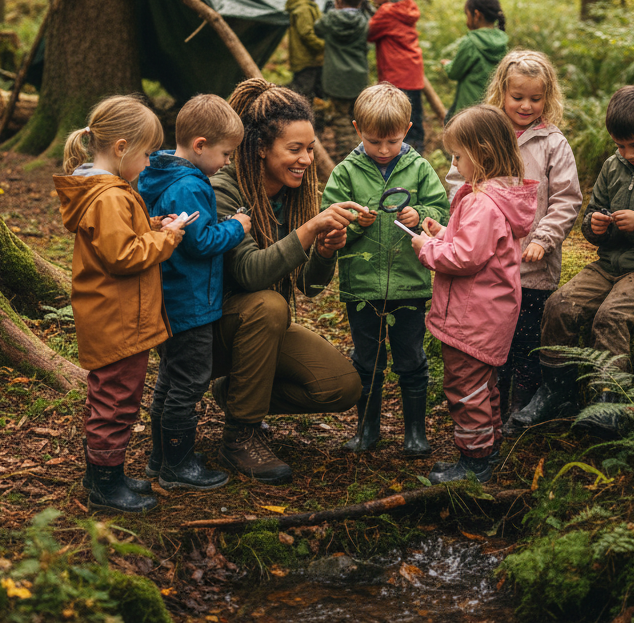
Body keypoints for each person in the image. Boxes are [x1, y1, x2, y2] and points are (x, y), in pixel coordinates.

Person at [509, 85, 634, 438]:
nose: (628, 154)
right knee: (560, 305)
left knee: (611, 315)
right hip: (610, 263)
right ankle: (556, 391)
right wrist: (596, 226)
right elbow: (591, 218)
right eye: (620, 146)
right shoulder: (613, 166)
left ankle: (612, 400)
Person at [209, 79, 367, 483]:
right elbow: (248, 273)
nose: (306, 159)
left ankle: (238, 394)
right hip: (208, 332)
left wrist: (326, 251)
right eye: (294, 149)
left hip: (262, 331)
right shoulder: (223, 190)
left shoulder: (296, 192)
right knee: (268, 304)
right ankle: (240, 434)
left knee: (342, 386)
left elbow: (309, 287)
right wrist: (310, 230)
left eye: (310, 148)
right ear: (261, 148)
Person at [55, 95, 188, 515]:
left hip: (116, 315)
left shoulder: (105, 191)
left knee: (114, 396)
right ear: (120, 148)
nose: (149, 163)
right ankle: (105, 485)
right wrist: (167, 238)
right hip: (118, 320)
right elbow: (123, 256)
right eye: (147, 154)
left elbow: (116, 238)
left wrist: (150, 225)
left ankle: (103, 474)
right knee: (116, 401)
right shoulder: (109, 195)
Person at [321, 83, 450, 456]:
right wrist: (355, 222)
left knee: (411, 359)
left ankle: (415, 433)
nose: (382, 150)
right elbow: (330, 222)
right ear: (358, 128)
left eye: (391, 141)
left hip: (409, 285)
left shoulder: (420, 168)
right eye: (375, 140)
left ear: (407, 130)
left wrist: (421, 215)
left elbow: (442, 213)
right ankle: (367, 429)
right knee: (366, 360)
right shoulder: (346, 172)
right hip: (362, 286)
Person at [412, 105, 537, 484]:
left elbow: (466, 257)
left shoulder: (482, 202)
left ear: (481, 152)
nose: (454, 163)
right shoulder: (492, 197)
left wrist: (425, 247)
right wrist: (442, 233)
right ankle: (489, 447)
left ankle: (474, 462)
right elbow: (473, 244)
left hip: (473, 318)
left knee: (465, 388)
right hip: (486, 314)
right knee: (483, 385)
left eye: (458, 156)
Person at [459, 51, 584, 428]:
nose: (526, 105)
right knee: (490, 340)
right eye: (518, 97)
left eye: (535, 98)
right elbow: (460, 180)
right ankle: (487, 410)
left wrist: (543, 238)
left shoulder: (552, 142)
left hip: (532, 268)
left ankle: (522, 410)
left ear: (548, 97)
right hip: (490, 265)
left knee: (527, 342)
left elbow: (566, 198)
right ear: (501, 92)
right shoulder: (482, 132)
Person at [138, 94, 253, 491]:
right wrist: (237, 226)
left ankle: (162, 456)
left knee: (170, 379)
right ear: (200, 145)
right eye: (225, 154)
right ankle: (178, 466)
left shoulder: (156, 172)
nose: (226, 163)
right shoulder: (188, 185)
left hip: (168, 297)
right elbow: (199, 242)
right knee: (189, 382)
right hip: (188, 299)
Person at [366, 0, 426, 153]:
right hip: (413, 72)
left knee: (398, 119)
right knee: (414, 117)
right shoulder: (408, 5)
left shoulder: (386, 12)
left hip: (396, 74)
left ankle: (402, 155)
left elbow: (368, 32)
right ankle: (418, 153)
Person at [313, 0, 371, 162]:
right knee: (358, 117)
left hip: (336, 78)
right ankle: (365, 150)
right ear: (361, 2)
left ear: (338, 0)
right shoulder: (364, 21)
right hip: (358, 78)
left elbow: (317, 29)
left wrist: (330, 9)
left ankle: (349, 154)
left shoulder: (331, 18)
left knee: (339, 117)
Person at [442, 0, 509, 120]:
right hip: (492, 111)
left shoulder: (470, 42)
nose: (466, 19)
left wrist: (447, 64)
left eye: (467, 14)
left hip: (467, 112)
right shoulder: (503, 42)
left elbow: (454, 72)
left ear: (477, 15)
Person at [286, 0, 327, 99]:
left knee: (315, 92)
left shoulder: (310, 4)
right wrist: (325, 46)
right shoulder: (303, 8)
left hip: (313, 60)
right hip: (306, 61)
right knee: (303, 94)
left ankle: (316, 119)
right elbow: (307, 34)